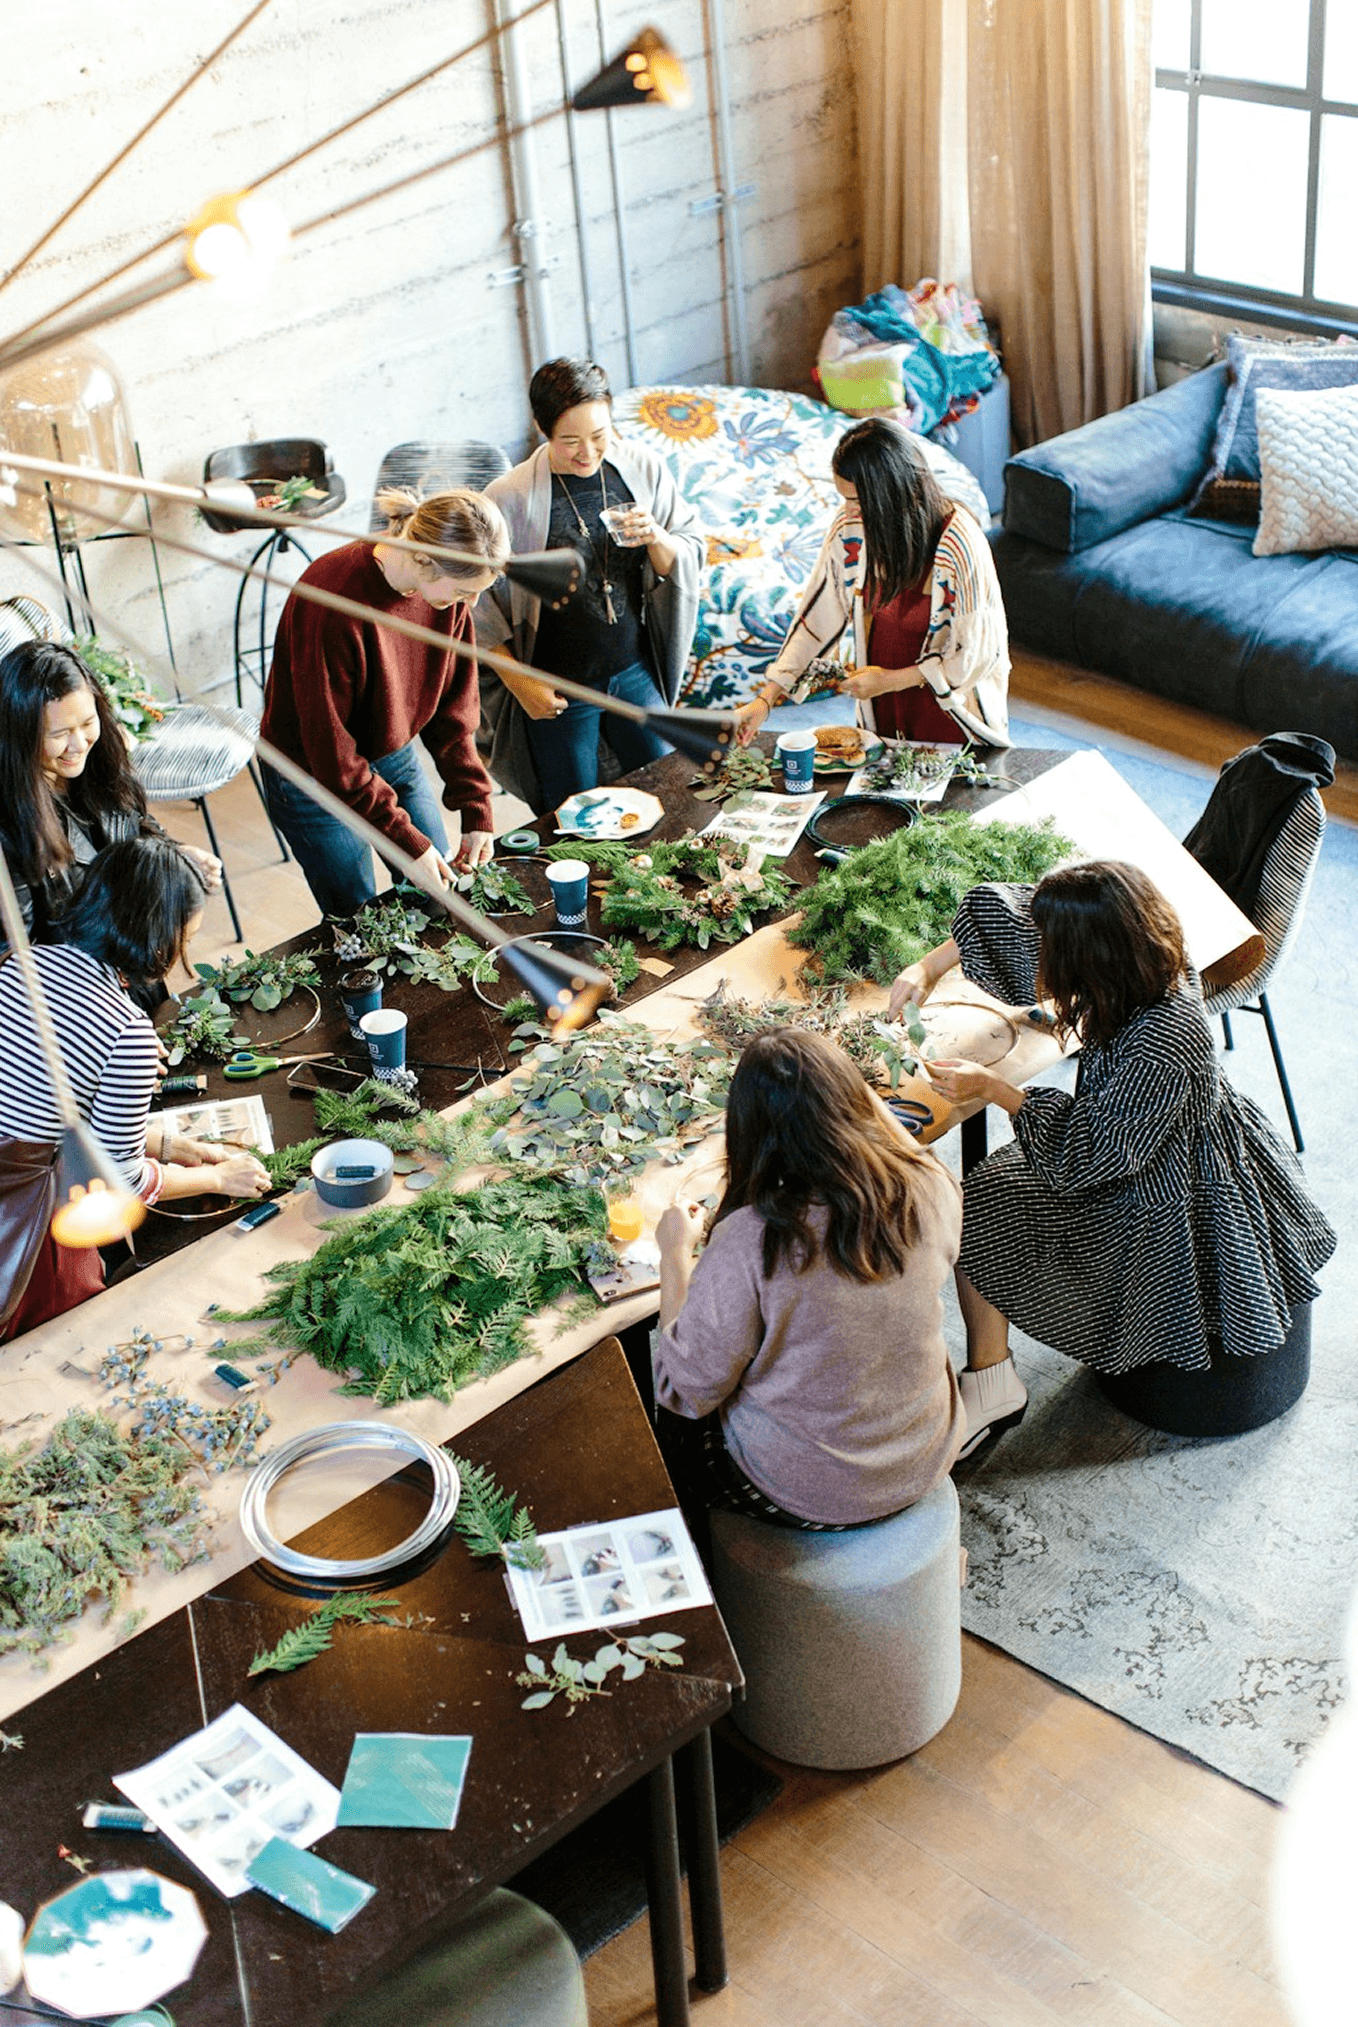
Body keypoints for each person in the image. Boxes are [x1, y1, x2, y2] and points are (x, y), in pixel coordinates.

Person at [890, 861, 1337, 1455]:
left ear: (1092, 960)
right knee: (984, 1189)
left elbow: (1087, 1157)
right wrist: (928, 966)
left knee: (975, 1210)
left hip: (1158, 1183)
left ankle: (992, 1385)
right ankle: (991, 1375)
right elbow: (1012, 913)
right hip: (1139, 1135)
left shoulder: (1164, 1042)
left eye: (1055, 955)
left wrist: (997, 1090)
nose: (1043, 962)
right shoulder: (1146, 951)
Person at [652, 1028, 966, 1530]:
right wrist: (837, 1081)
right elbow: (905, 1149)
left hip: (815, 1492)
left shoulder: (753, 1238)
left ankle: (701, 1560)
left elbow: (683, 1390)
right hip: (927, 1450)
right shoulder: (929, 1185)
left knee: (671, 1427)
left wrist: (674, 1255)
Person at [0, 838, 271, 1339]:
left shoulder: (23, 964)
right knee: (60, 1339)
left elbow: (50, 1107)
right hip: (32, 1225)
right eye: (186, 938)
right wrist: (218, 1178)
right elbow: (122, 1181)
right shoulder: (126, 1032)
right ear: (159, 938)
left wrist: (171, 1144)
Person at [259, 488, 510, 920]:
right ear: (422, 559)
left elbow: (453, 712)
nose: (471, 604)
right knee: (359, 915)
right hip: (310, 775)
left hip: (389, 748)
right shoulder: (333, 601)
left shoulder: (446, 598)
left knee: (438, 896)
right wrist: (407, 844)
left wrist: (476, 806)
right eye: (464, 591)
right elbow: (333, 757)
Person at [476, 357, 704, 814]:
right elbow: (475, 607)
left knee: (671, 792)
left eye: (600, 436)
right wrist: (520, 683)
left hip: (634, 668)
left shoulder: (642, 468)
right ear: (541, 429)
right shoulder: (507, 498)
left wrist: (656, 537)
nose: (588, 453)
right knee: (575, 815)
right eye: (570, 441)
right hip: (558, 686)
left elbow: (689, 549)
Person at [735, 415, 1010, 749]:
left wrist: (892, 680)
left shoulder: (958, 541)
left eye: (857, 501)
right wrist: (765, 700)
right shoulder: (852, 530)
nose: (848, 511)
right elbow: (818, 614)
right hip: (882, 707)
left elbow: (974, 656)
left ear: (892, 493)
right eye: (845, 499)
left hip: (952, 714)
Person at [0, 639, 222, 945]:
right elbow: (16, 955)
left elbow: (136, 826)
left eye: (87, 723)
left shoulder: (101, 762)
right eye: (60, 734)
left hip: (127, 950)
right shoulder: (10, 827)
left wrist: (171, 855)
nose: (79, 744)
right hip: (77, 971)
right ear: (20, 735)